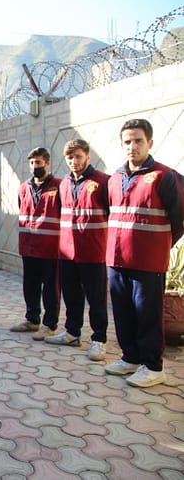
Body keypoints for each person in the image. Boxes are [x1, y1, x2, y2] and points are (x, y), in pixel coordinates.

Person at [104, 119, 183, 388]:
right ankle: (130, 357)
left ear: (149, 142)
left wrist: (159, 244)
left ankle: (153, 366)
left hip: (148, 261)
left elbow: (179, 219)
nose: (132, 146)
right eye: (127, 141)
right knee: (123, 311)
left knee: (147, 314)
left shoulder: (164, 176)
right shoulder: (114, 178)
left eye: (138, 141)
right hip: (117, 259)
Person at [44, 140, 110, 361]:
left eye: (78, 156)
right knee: (71, 295)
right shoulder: (63, 184)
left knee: (96, 299)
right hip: (67, 251)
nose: (74, 161)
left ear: (88, 157)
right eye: (70, 157)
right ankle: (72, 333)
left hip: (93, 251)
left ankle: (99, 339)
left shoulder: (102, 182)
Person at [10, 147, 61, 341]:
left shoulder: (59, 186)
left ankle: (50, 324)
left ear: (47, 163)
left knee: (50, 287)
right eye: (31, 163)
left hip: (50, 247)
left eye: (38, 162)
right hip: (29, 245)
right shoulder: (24, 187)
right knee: (30, 285)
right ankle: (32, 319)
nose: (34, 166)